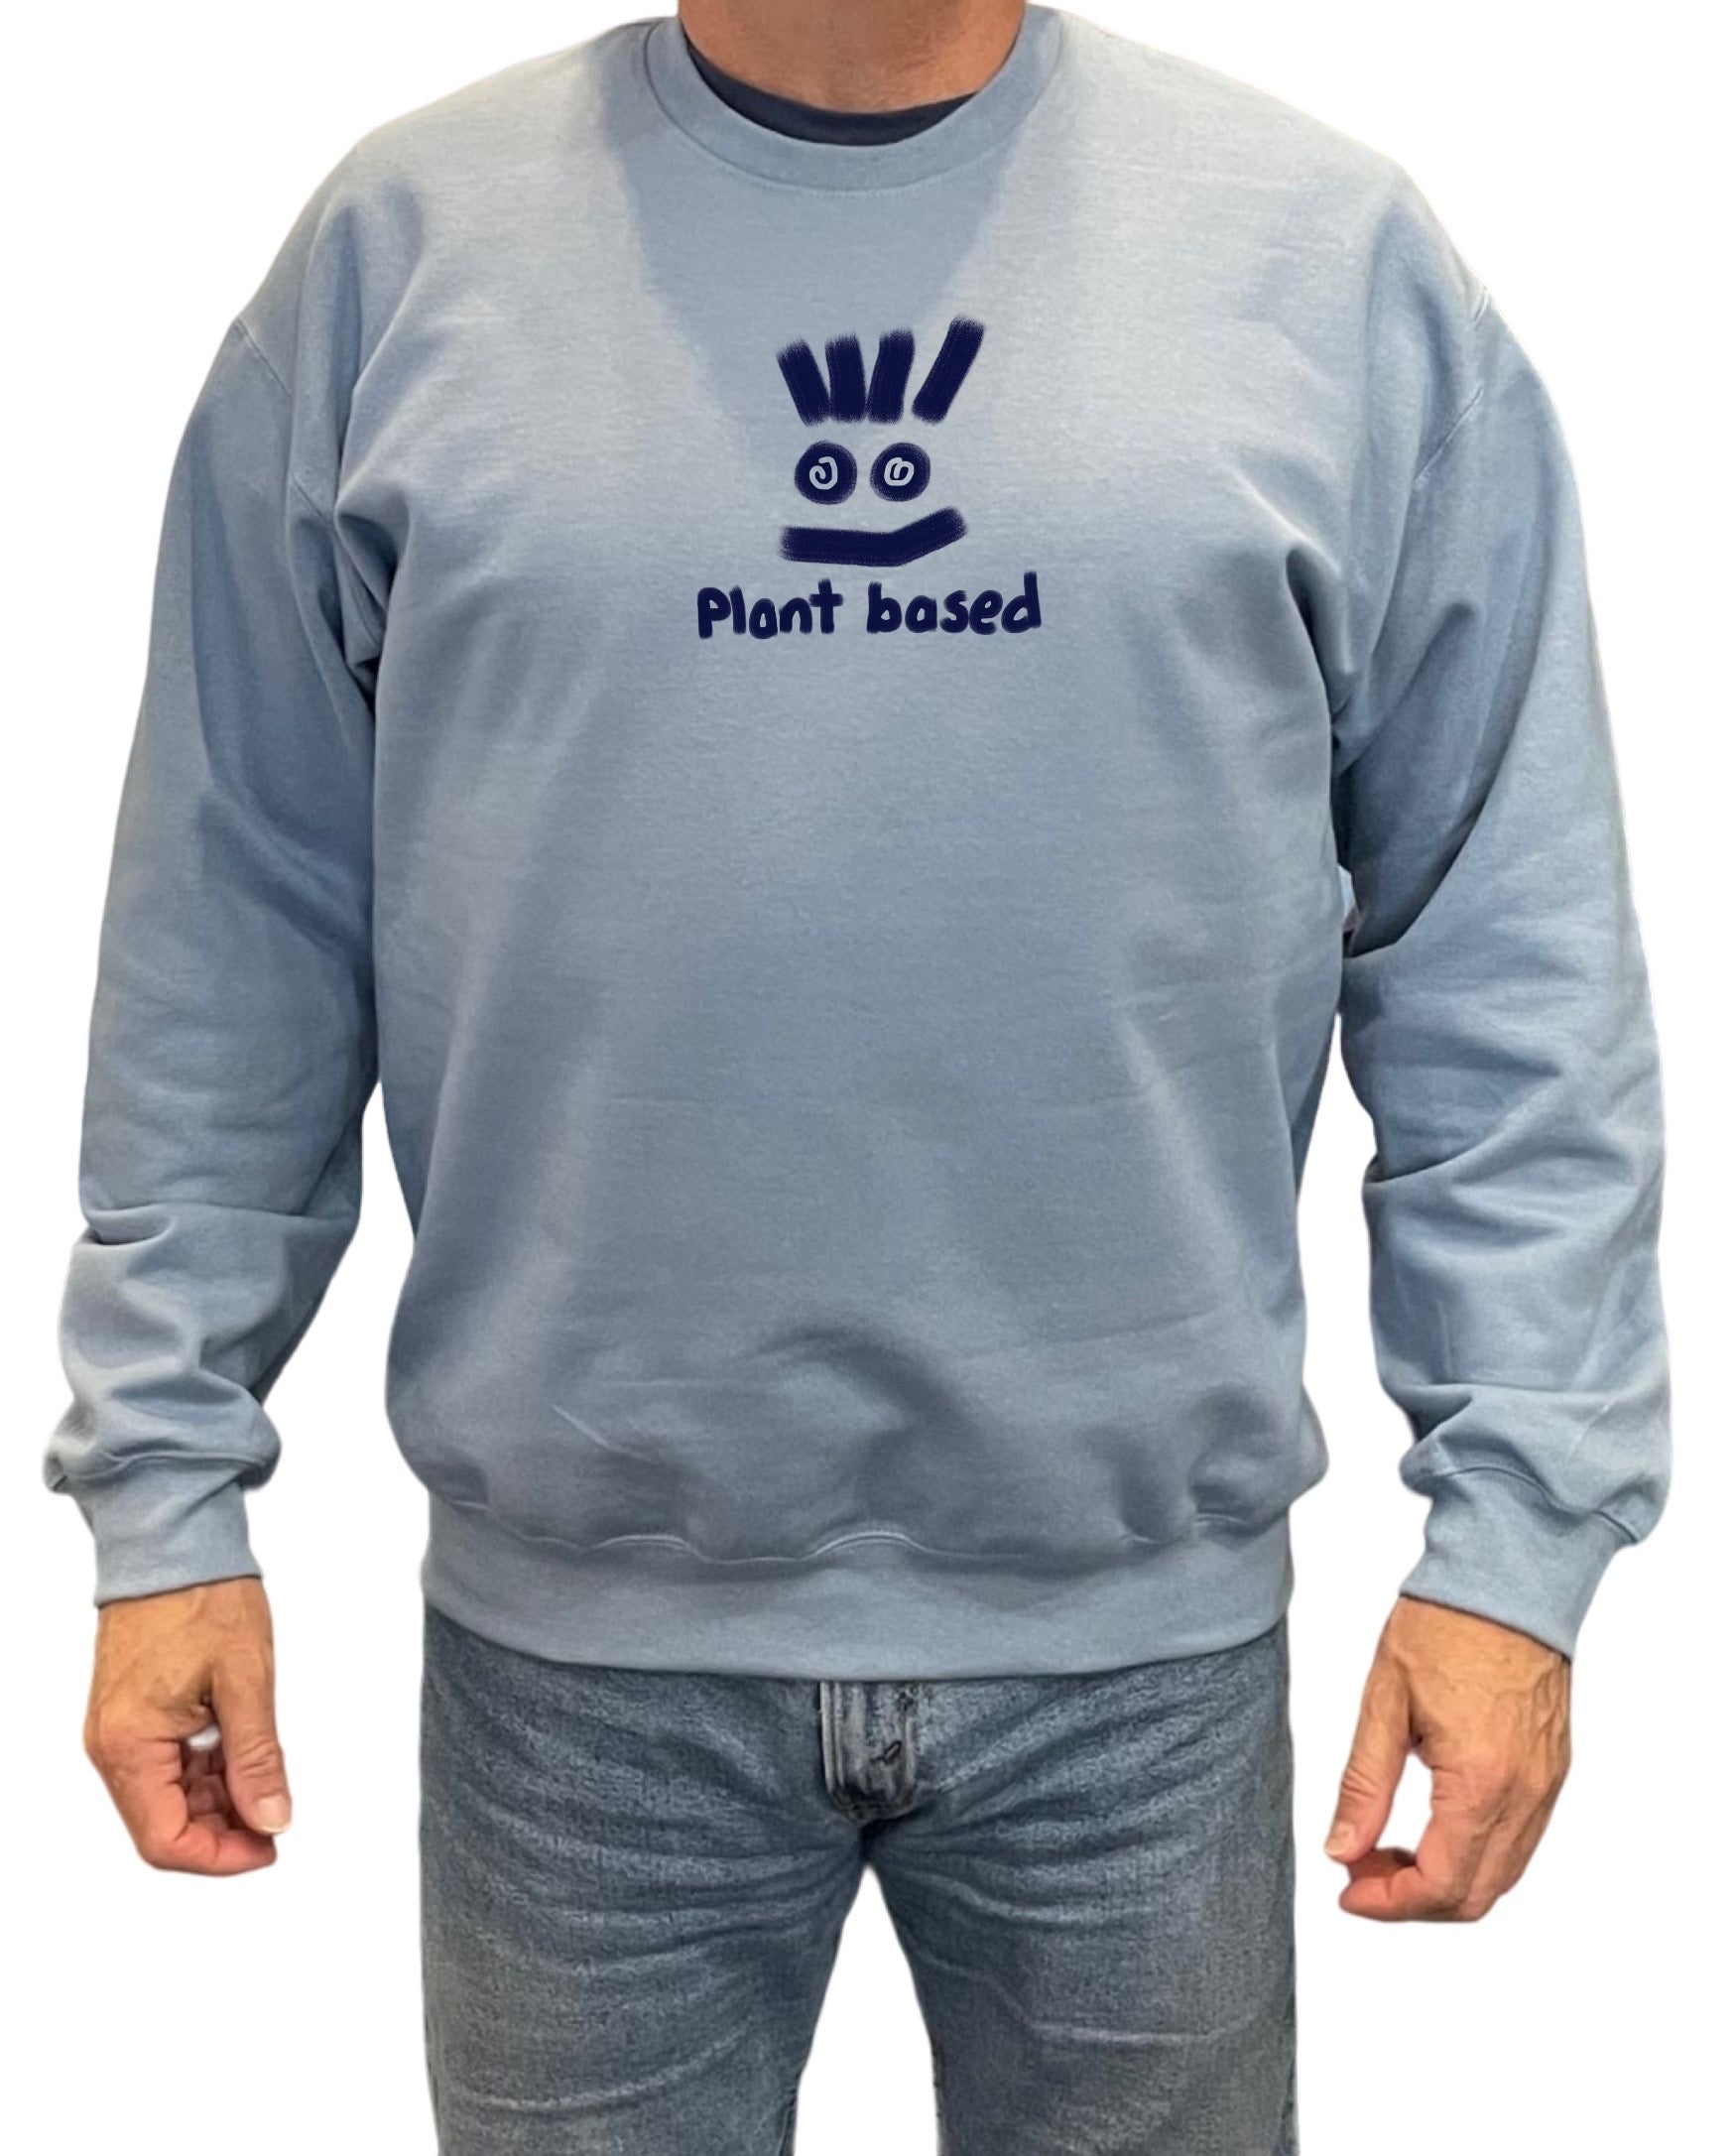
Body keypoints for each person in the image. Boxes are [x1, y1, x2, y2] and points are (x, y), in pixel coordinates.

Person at [48, 4, 1670, 2149]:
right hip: (579, 1672)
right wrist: (164, 1490)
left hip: (1136, 1666)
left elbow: (1500, 936)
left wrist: (1514, 1542)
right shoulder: (401, 249)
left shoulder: (1323, 256)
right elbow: (234, 912)